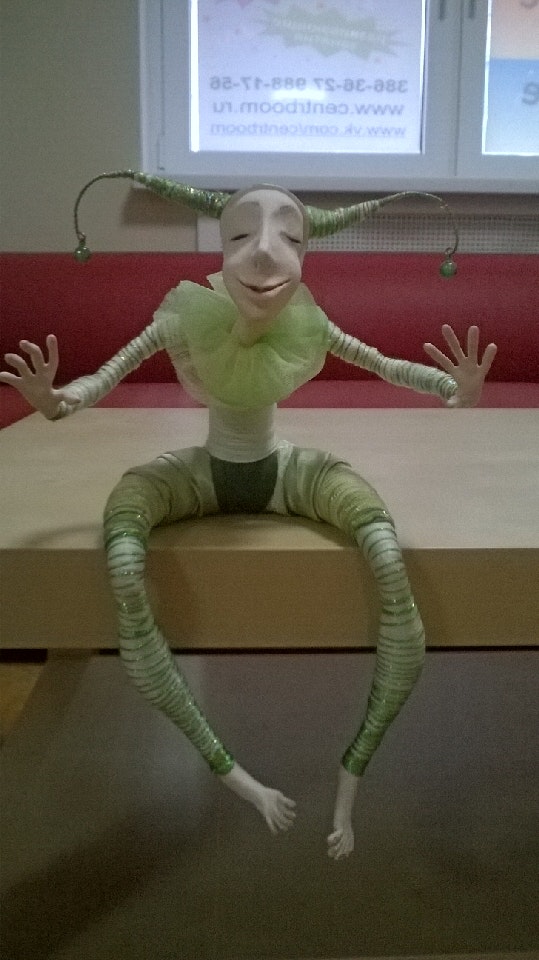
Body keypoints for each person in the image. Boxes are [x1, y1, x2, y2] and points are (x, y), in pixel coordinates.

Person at [0, 179, 497, 859]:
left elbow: (381, 363)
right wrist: (58, 401)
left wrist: (451, 389)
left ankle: (353, 771)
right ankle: (230, 772)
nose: (263, 253)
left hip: (284, 471)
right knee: (122, 560)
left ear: (307, 251)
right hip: (201, 474)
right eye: (240, 235)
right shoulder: (184, 318)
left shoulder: (309, 324)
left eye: (289, 237)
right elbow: (109, 374)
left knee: (386, 553)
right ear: (220, 246)